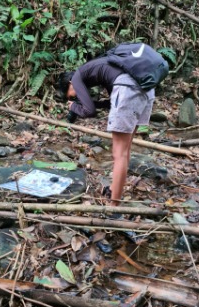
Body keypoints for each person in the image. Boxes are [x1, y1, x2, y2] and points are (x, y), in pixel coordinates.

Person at [58, 53, 156, 207]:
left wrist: (74, 107)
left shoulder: (77, 77)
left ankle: (113, 206)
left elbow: (89, 111)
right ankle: (114, 190)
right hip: (146, 86)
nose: (72, 98)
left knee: (118, 154)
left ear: (70, 83)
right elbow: (110, 103)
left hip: (128, 87)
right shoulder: (98, 70)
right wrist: (90, 104)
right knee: (125, 150)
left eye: (69, 95)